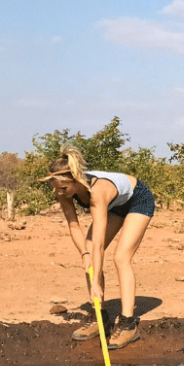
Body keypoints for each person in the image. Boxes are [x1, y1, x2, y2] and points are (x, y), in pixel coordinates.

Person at [42, 145, 155, 349]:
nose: (59, 193)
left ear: (75, 181)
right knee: (88, 253)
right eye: (55, 188)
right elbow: (73, 224)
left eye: (63, 189)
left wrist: (95, 281)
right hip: (116, 205)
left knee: (121, 257)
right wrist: (84, 254)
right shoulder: (62, 189)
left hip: (138, 199)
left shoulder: (97, 191)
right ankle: (100, 317)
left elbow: (100, 243)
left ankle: (129, 324)